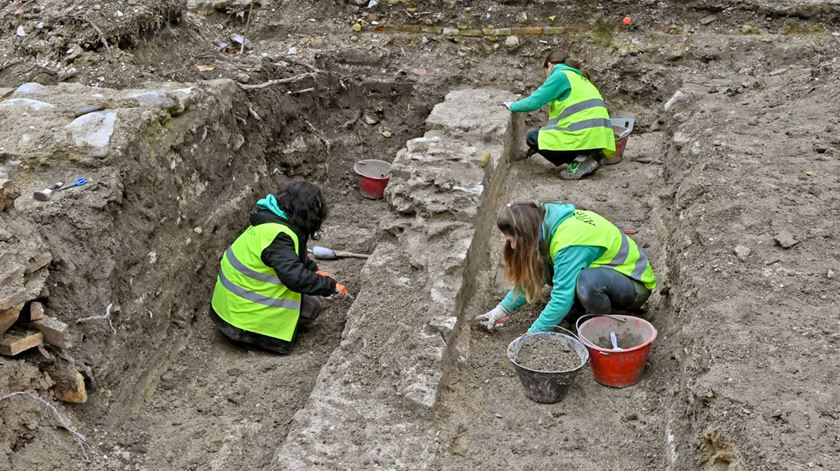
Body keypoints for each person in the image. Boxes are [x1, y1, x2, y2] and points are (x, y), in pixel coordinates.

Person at [209, 181, 350, 354]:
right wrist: (329, 286)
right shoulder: (279, 238)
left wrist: (313, 270)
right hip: (241, 322)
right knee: (312, 306)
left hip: (228, 310)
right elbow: (295, 278)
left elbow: (292, 256)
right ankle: (263, 337)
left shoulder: (269, 220)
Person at [475, 202, 656, 333]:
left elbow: (561, 299)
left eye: (512, 239)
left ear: (526, 232)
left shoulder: (568, 243)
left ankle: (598, 328)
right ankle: (583, 308)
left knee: (587, 282)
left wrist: (532, 335)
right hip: (609, 276)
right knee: (549, 266)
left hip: (634, 285)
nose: (513, 246)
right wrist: (502, 309)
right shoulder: (547, 223)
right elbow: (536, 274)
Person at [503, 48, 617, 180]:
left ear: (550, 65)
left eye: (545, 72)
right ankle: (593, 156)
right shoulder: (580, 77)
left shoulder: (560, 75)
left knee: (533, 137)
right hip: (600, 139)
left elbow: (533, 102)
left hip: (584, 136)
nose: (547, 76)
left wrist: (511, 105)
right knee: (545, 134)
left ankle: (581, 161)